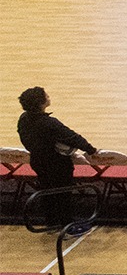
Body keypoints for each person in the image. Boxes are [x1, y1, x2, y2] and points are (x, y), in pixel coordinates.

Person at [17, 87, 97, 232]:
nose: (49, 96)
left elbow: (24, 139)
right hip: (57, 164)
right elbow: (72, 137)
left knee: (47, 191)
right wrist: (91, 150)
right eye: (46, 96)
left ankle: (51, 222)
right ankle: (67, 225)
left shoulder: (23, 119)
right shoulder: (49, 123)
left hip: (37, 161)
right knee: (63, 194)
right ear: (41, 103)